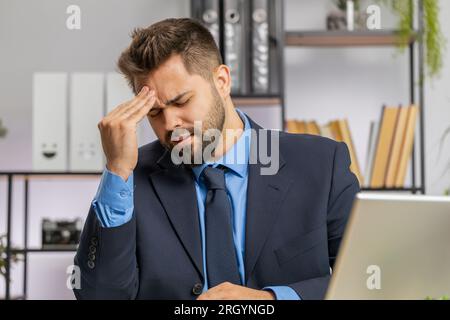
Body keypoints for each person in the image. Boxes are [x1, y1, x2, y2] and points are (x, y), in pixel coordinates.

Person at [73, 18, 360, 300]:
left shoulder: (321, 164)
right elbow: (99, 295)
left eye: (181, 101)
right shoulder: (130, 178)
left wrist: (271, 300)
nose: (170, 123)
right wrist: (117, 169)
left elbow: (368, 281)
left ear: (221, 81)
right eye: (155, 112)